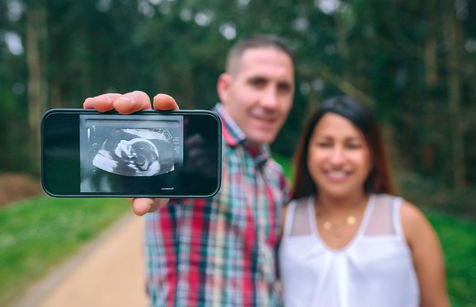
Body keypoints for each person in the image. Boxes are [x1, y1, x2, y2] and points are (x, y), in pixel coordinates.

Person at [84, 35, 295, 306]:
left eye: (283, 88)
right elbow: (163, 191)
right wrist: (155, 170)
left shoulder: (275, 175)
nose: (271, 101)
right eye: (258, 83)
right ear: (226, 87)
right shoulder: (186, 143)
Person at [278, 96, 450, 307]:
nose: (337, 159)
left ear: (372, 154)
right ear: (307, 152)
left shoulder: (407, 222)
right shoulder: (284, 221)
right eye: (325, 144)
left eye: (352, 146)